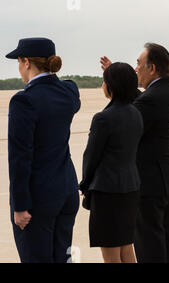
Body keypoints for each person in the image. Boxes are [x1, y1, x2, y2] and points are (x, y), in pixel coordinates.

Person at [101, 43, 169, 263]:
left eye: (139, 63)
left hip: (151, 180)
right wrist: (117, 77)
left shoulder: (152, 98)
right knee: (168, 235)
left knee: (149, 241)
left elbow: (127, 121)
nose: (136, 68)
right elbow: (141, 102)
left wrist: (116, 85)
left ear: (152, 68)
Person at [6, 38, 80, 262]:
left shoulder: (24, 101)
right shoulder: (68, 92)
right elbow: (67, 85)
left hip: (38, 199)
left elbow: (20, 157)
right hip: (66, 192)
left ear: (26, 62)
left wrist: (19, 205)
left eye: (19, 62)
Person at [79, 62, 143, 263]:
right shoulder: (136, 113)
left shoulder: (103, 118)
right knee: (126, 246)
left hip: (108, 191)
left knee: (111, 251)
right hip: (131, 187)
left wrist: (84, 183)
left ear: (111, 86)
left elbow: (91, 156)